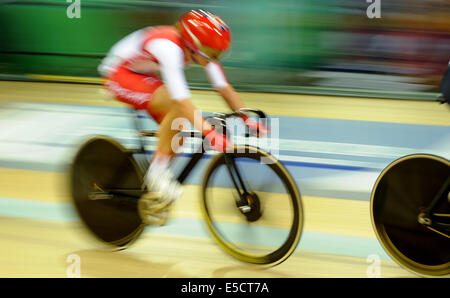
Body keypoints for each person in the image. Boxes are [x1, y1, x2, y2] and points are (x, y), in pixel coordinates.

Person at [98, 10, 267, 225]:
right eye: (211, 52)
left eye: (218, 54)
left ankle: (156, 183)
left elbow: (223, 87)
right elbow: (181, 101)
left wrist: (245, 117)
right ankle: (156, 176)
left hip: (143, 71)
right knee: (176, 108)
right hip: (118, 74)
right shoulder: (169, 48)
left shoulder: (199, 52)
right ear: (193, 44)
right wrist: (210, 133)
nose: (214, 59)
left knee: (180, 130)